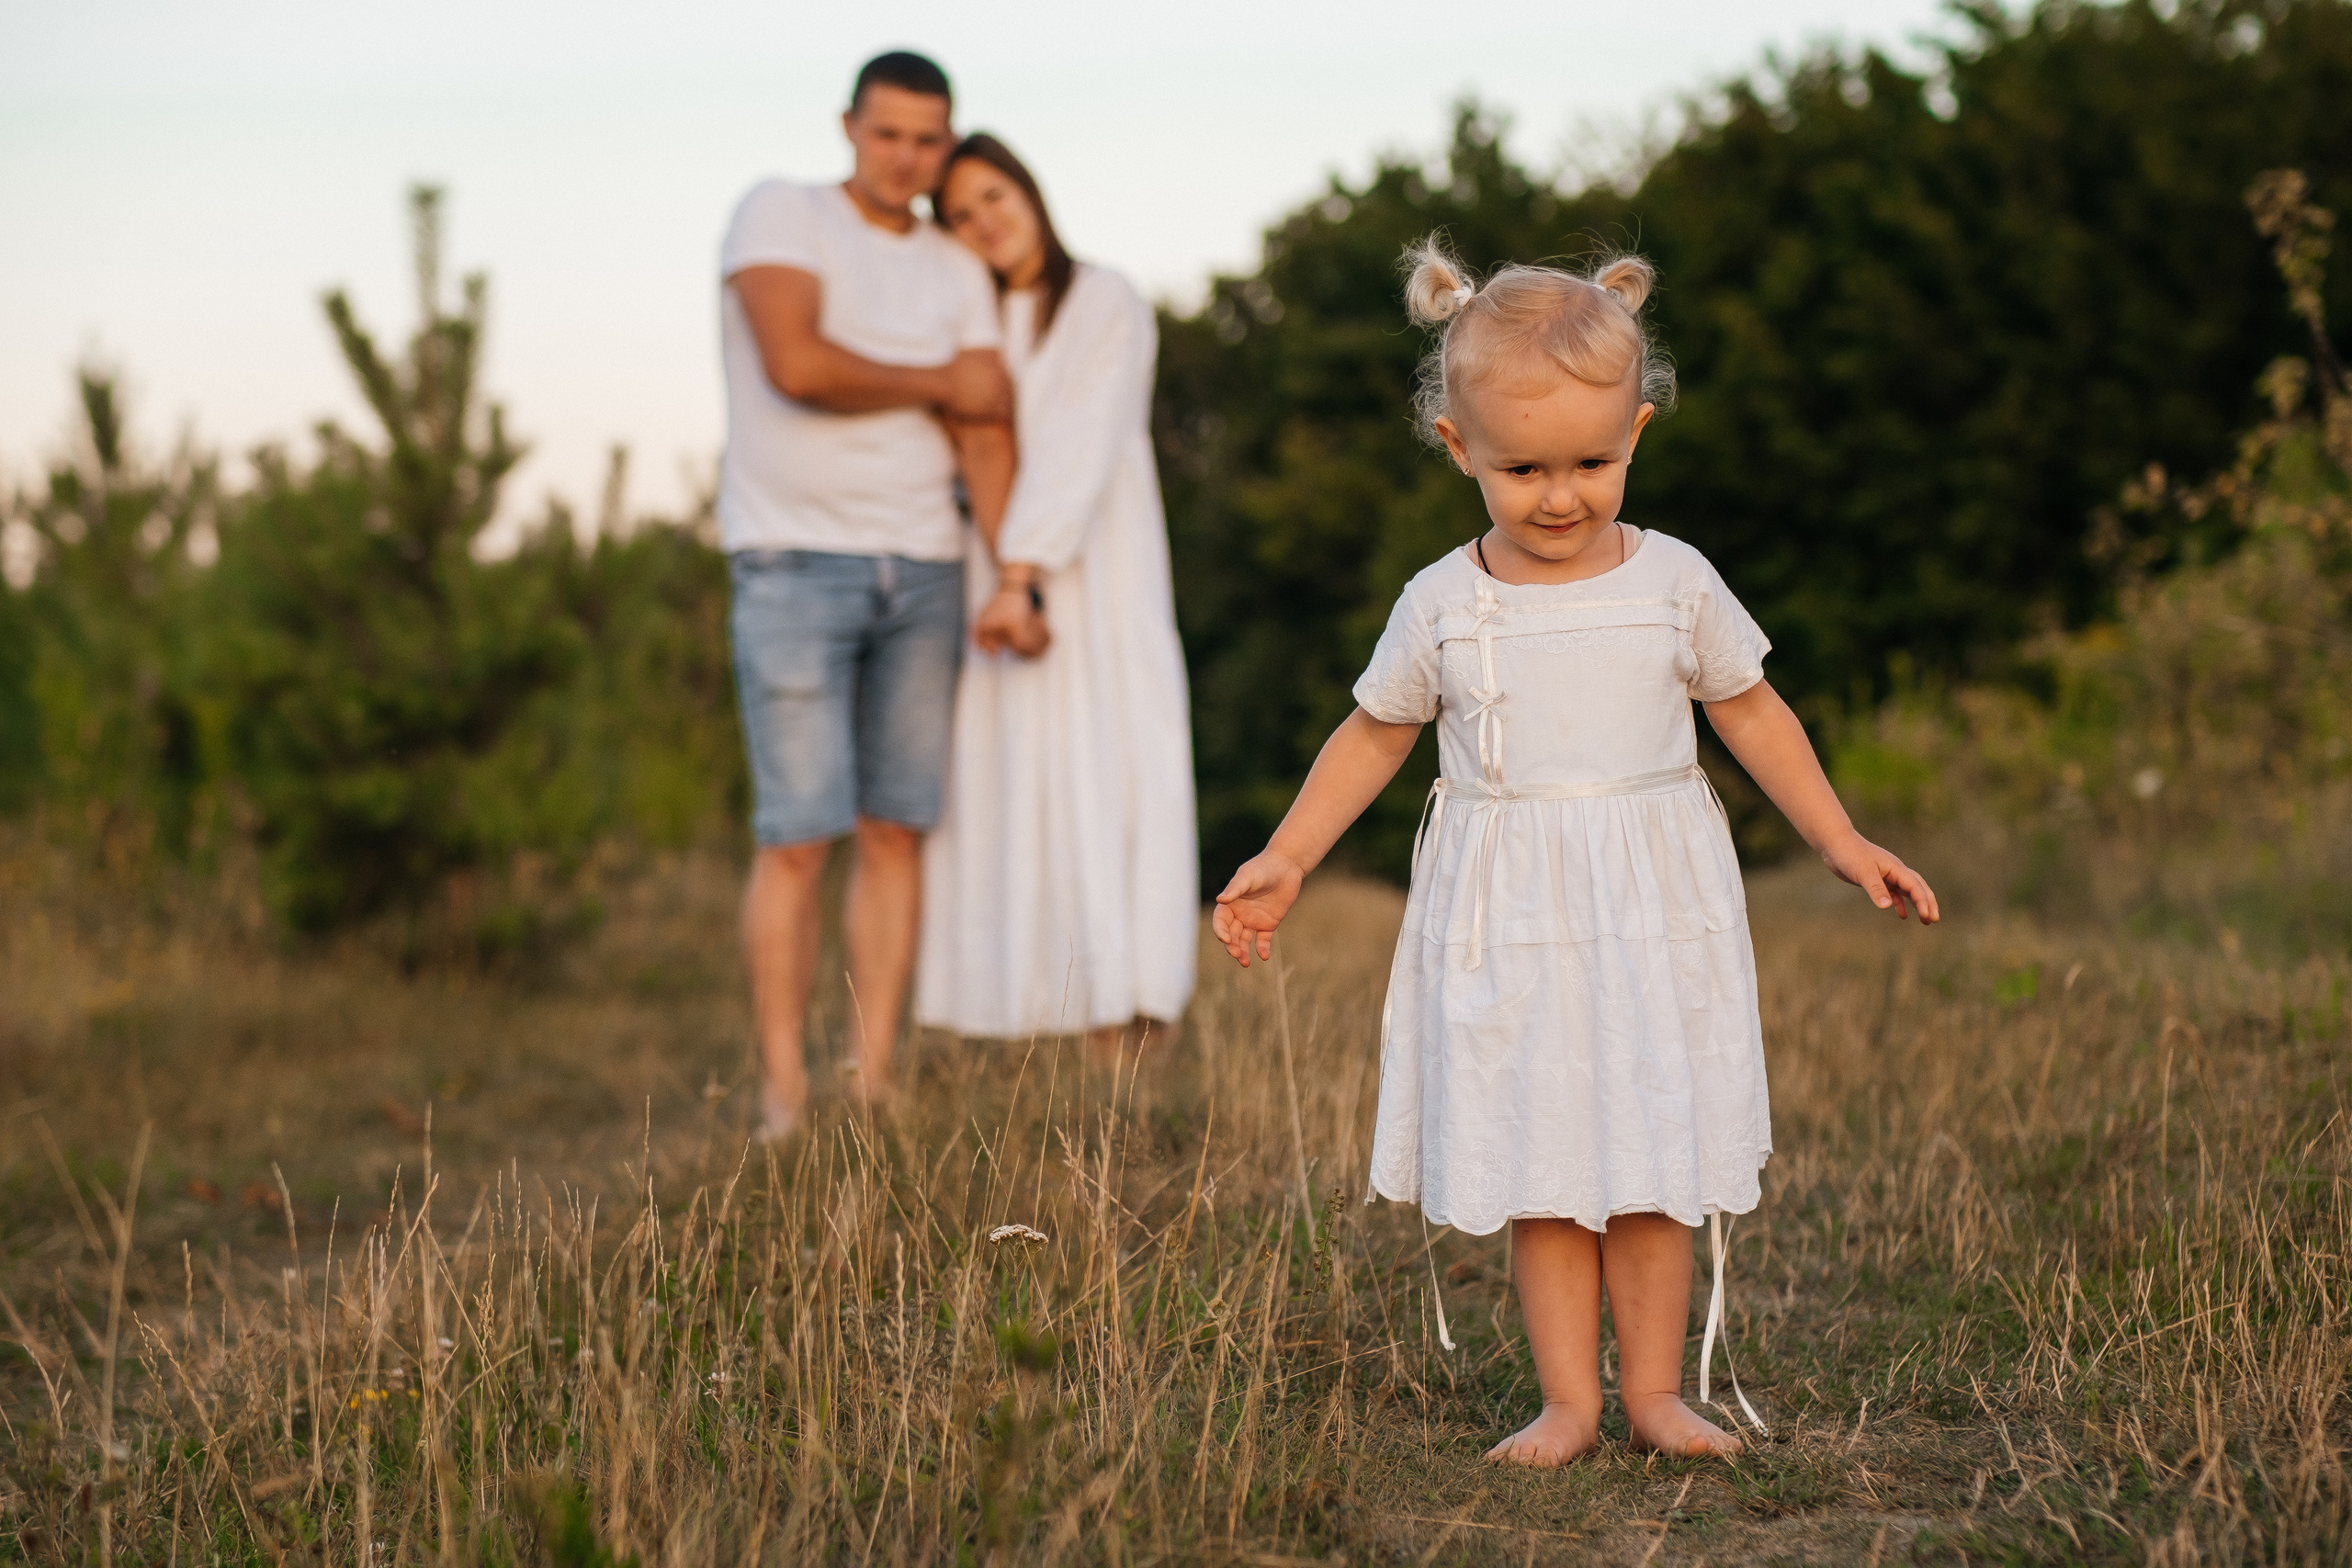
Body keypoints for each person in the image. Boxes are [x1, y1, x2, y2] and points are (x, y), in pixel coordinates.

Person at [1209, 239, 1940, 1464]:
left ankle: (1655, 1391)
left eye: (1592, 462)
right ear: (1460, 449)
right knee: (1544, 1151)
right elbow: (1374, 732)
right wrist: (1287, 855)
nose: (1561, 494)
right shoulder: (1443, 599)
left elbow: (1751, 709)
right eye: (1524, 468)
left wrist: (1838, 834)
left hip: (1650, 903)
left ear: (1637, 436)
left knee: (1651, 1148)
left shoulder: (1675, 581)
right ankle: (1569, 1401)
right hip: (1511, 911)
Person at [718, 51, 1024, 1138]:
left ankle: (872, 1079)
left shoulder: (953, 266)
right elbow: (796, 364)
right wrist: (941, 379)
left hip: (928, 567)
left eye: (928, 139)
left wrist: (1016, 572)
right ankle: (781, 1093)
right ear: (849, 125)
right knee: (797, 836)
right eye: (888, 133)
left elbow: (988, 426)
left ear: (947, 142)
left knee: (895, 826)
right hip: (792, 559)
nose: (907, 156)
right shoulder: (780, 215)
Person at [916, 134, 1198, 1052]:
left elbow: (1083, 441)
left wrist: (1025, 571)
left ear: (1028, 192)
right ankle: (1017, 1005)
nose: (983, 222)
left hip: (1089, 570)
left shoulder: (1102, 298)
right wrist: (1005, 575)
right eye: (959, 214)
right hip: (998, 571)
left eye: (993, 196)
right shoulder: (968, 322)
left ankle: (1121, 1002)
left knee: (1107, 767)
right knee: (1009, 775)